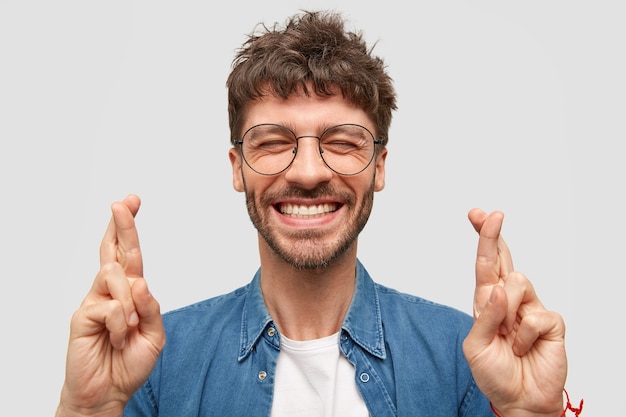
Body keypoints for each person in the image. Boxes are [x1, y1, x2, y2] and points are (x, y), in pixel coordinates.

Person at [55, 10, 581, 417]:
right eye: (273, 142)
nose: (308, 171)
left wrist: (532, 412)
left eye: (343, 142)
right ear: (238, 168)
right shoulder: (157, 361)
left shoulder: (466, 357)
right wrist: (87, 410)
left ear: (379, 166)